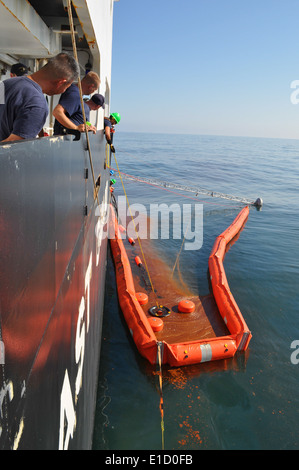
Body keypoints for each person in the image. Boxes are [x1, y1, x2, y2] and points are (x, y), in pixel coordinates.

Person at [0, 52, 79, 143]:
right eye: (67, 87)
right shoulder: (38, 104)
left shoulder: (6, 84)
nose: (64, 91)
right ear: (60, 83)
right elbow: (12, 148)